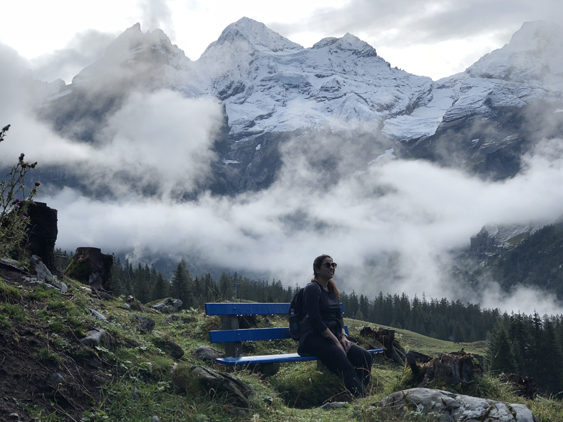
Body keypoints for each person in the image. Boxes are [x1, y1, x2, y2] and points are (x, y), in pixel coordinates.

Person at [297, 254, 372, 397]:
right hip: (313, 338)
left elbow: (338, 317)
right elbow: (315, 319)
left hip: (332, 338)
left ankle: (359, 393)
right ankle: (363, 400)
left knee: (365, 357)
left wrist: (343, 337)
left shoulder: (331, 290)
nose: (332, 268)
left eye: (333, 265)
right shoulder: (312, 289)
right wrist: (336, 341)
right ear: (317, 269)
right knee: (346, 366)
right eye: (327, 265)